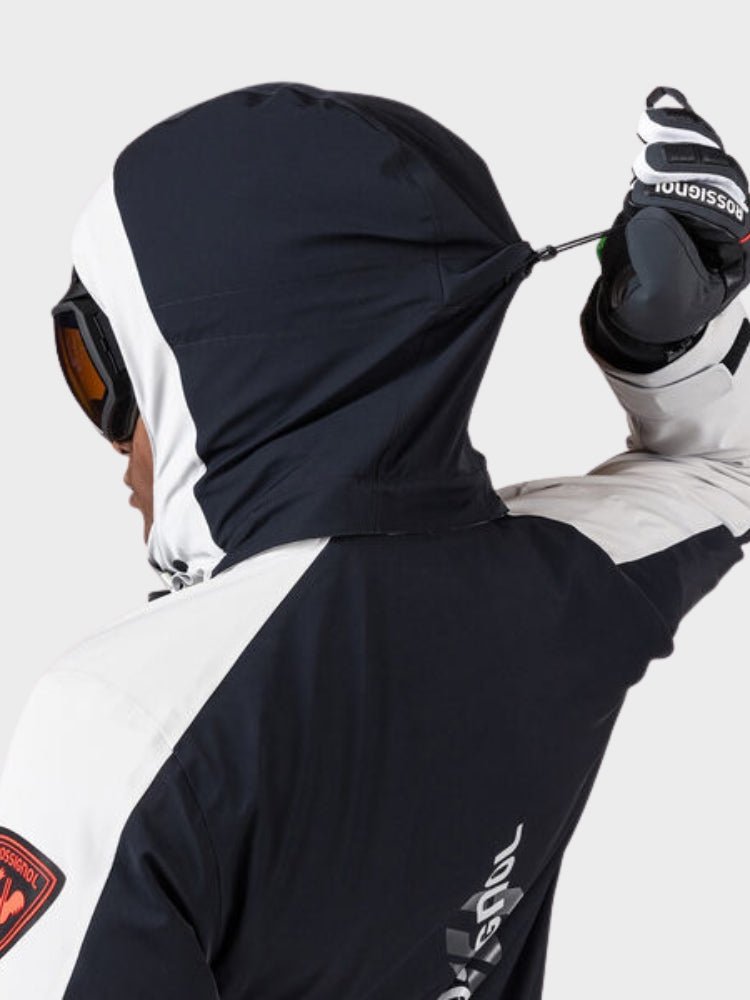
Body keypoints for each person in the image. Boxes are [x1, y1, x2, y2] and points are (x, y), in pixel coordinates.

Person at [0, 81, 747, 999]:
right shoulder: (570, 586)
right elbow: (725, 473)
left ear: (218, 362)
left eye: (111, 375)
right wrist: (664, 340)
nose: (120, 445)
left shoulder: (117, 729)